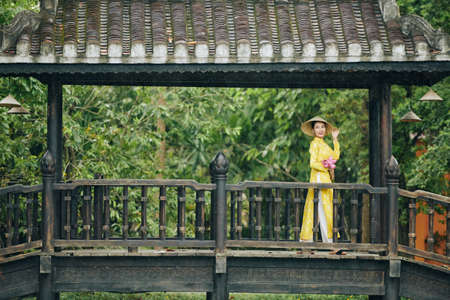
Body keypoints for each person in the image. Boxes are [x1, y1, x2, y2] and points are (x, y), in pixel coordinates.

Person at [299, 116, 340, 243]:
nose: (320, 129)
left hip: (326, 179)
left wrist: (335, 140)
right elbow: (313, 163)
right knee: (316, 207)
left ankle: (329, 241)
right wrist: (326, 166)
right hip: (318, 179)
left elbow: (335, 156)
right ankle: (309, 241)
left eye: (322, 127)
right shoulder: (314, 144)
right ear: (313, 130)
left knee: (327, 207)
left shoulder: (325, 145)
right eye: (317, 127)